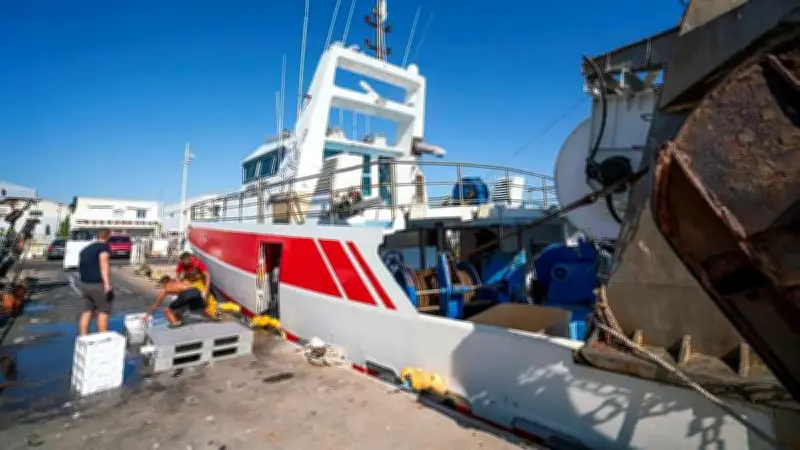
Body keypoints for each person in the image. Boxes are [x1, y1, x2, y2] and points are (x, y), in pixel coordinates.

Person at [77, 229, 113, 335]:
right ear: (108, 237)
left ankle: (83, 337)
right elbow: (104, 264)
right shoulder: (103, 247)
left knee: (87, 311)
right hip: (98, 284)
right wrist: (107, 284)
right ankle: (103, 338)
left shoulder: (85, 249)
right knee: (103, 311)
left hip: (85, 284)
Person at [144, 276, 217, 327]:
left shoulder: (166, 288)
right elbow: (186, 297)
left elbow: (156, 305)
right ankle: (214, 318)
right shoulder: (181, 282)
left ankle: (175, 323)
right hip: (196, 291)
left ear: (164, 283)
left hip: (187, 293)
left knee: (167, 311)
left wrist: (147, 315)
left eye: (161, 285)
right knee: (202, 309)